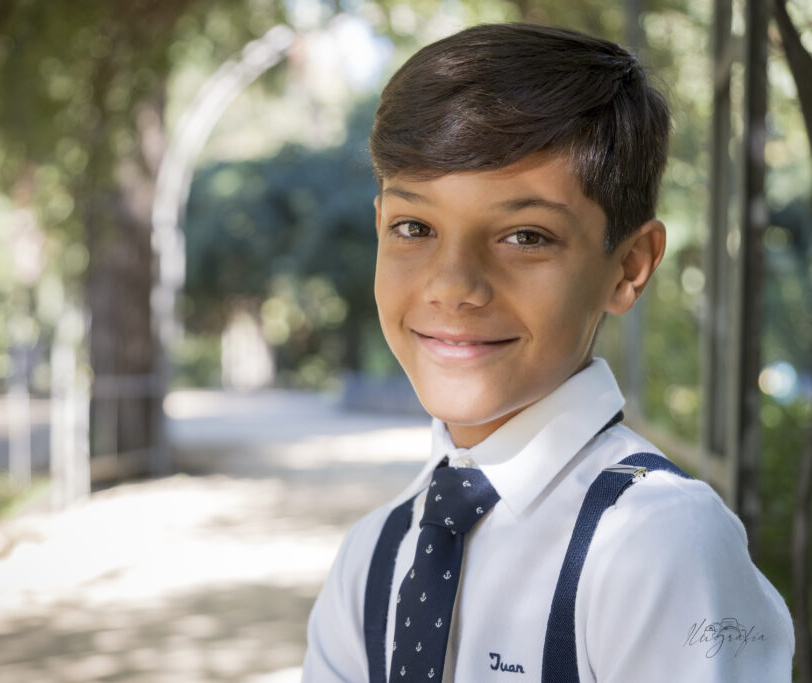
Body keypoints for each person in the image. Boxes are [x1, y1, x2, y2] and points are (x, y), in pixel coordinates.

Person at [301, 23, 794, 683]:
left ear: (629, 266)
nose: (452, 285)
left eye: (525, 235)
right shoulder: (373, 558)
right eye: (414, 226)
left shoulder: (655, 542)